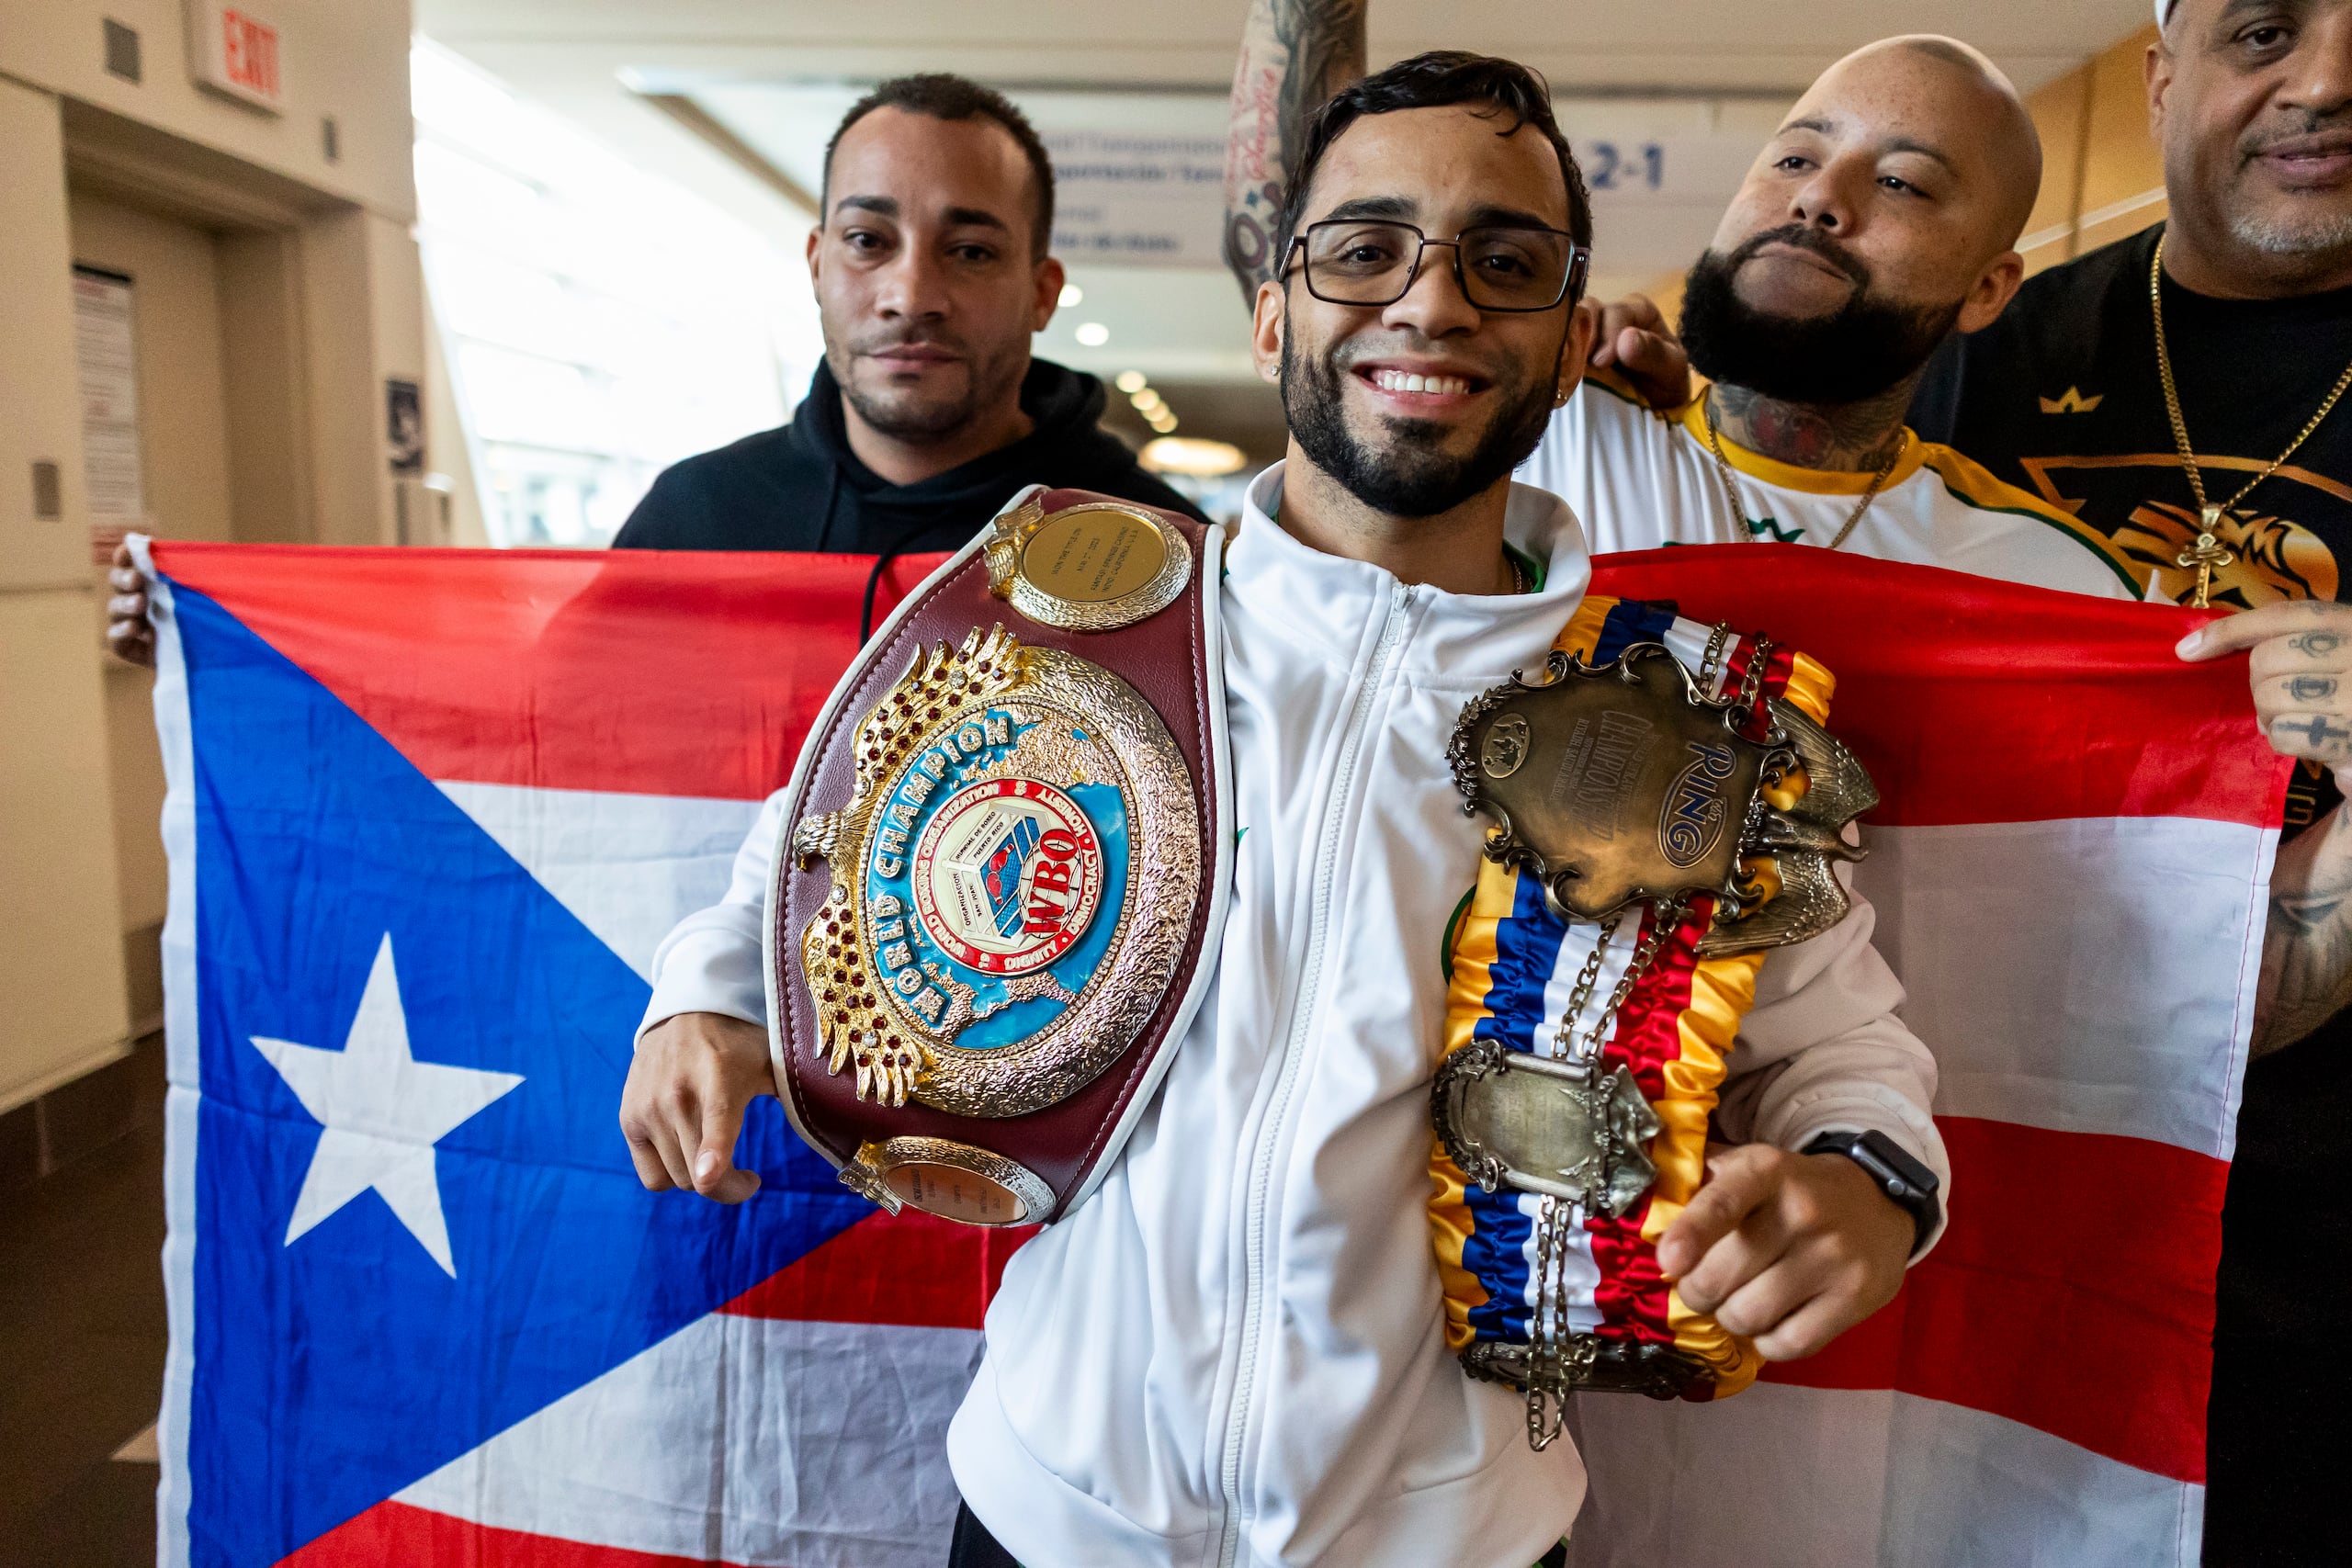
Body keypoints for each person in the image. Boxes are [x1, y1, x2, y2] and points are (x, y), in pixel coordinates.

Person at [621, 53, 1944, 1568]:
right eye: (1364, 250)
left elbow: (1853, 1056)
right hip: (1052, 1510)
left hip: (1456, 1539)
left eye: (1500, 263)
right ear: (1275, 311)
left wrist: (1862, 1183)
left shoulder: (1689, 728)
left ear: (1576, 338)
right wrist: (711, 993)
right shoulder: (1071, 617)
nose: (1429, 304)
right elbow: (819, 824)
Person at [1901, 3, 2352, 1560]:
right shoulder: (1977, 349)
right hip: (1988, 1201)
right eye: (2267, 29)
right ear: (2164, 78)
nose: (2330, 81)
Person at [100, 73, 1197, 666]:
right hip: (702, 1068)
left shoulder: (1151, 545)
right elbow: (530, 734)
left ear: (1042, 289)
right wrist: (222, 664)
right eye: (868, 241)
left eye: (969, 250)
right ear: (818, 265)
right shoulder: (702, 509)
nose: (910, 292)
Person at [1226, 13, 2142, 599]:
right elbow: (1312, 238)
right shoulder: (1541, 419)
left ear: (1988, 288)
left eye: (1900, 182)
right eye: (1792, 158)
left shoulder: (2052, 582)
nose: (1818, 198)